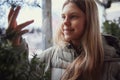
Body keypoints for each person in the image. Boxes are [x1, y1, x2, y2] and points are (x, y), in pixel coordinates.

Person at [2, 0, 120, 80]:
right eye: (63, 17)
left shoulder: (113, 59)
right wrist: (15, 44)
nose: (65, 22)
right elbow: (24, 75)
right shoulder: (51, 55)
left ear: (90, 21)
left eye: (73, 16)